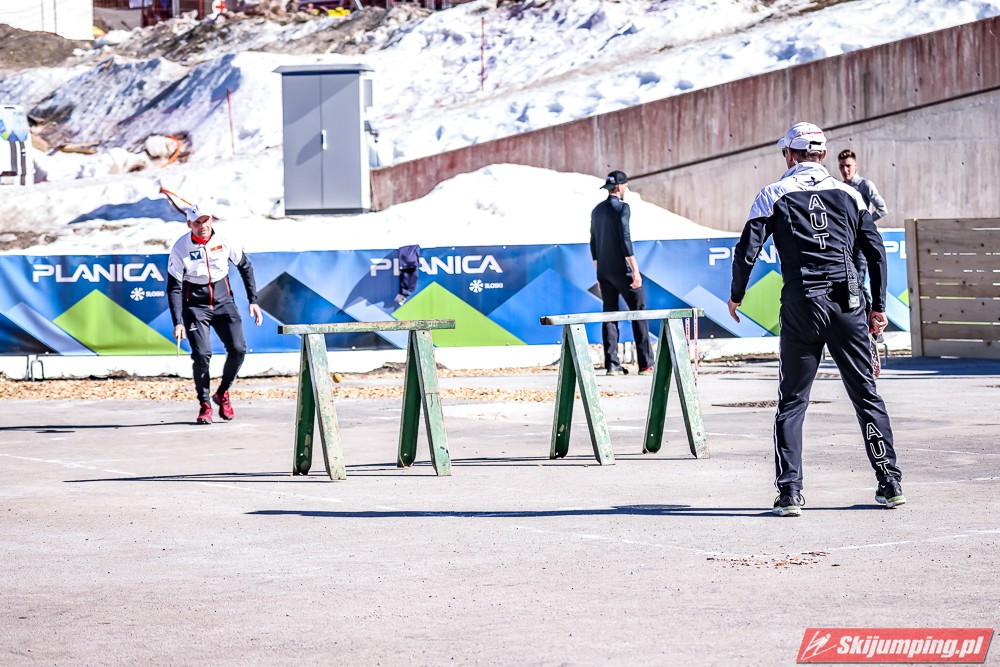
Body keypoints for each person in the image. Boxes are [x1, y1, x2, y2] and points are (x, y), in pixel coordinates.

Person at [727, 122, 904, 516]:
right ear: (823, 155)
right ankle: (890, 482)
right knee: (866, 394)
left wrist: (737, 295)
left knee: (792, 401)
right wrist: (878, 308)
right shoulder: (850, 194)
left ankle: (790, 493)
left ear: (790, 155)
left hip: (802, 304)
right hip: (847, 304)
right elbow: (876, 252)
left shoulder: (773, 193)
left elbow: (746, 251)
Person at [168, 203, 263, 425]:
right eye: (197, 222)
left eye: (205, 220)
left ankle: (222, 393)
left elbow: (245, 267)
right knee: (202, 355)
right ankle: (205, 404)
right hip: (195, 306)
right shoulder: (180, 247)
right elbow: (174, 287)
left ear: (211, 220)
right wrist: (178, 322)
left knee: (238, 349)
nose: (202, 226)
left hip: (223, 302)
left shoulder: (224, 240)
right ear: (189, 224)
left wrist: (253, 301)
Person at [590, 170, 654, 376]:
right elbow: (625, 238)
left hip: (604, 270)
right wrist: (635, 270)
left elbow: (593, 243)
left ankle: (612, 364)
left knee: (609, 314)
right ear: (619, 186)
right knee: (639, 311)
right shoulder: (623, 208)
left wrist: (599, 273)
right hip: (622, 270)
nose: (626, 188)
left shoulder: (597, 210)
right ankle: (645, 364)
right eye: (625, 185)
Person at [837, 149, 888, 312]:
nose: (845, 170)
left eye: (848, 166)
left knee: (858, 280)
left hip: (861, 241)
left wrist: (862, 224)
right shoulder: (839, 187)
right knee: (848, 280)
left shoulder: (865, 185)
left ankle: (869, 316)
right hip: (846, 241)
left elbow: (882, 209)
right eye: (842, 166)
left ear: (855, 166)